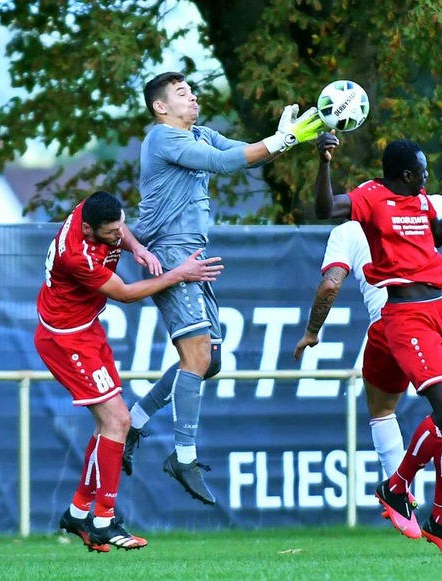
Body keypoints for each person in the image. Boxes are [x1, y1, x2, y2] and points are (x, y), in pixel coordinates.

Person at [122, 71, 324, 505]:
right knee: (197, 357)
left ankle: (133, 420)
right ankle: (184, 456)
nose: (192, 97)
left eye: (192, 91)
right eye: (181, 93)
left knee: (208, 363)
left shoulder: (199, 134)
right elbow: (222, 163)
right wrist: (284, 140)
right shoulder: (162, 138)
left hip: (192, 254)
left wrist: (285, 136)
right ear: (160, 107)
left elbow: (244, 156)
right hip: (172, 255)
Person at [312, 133, 442, 557]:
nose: (426, 176)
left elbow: (439, 234)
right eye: (421, 170)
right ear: (405, 173)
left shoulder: (420, 202)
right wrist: (324, 161)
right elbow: (326, 209)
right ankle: (397, 485)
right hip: (406, 316)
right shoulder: (372, 197)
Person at [34, 191, 223, 552]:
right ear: (88, 229)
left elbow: (121, 230)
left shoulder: (92, 210)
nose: (119, 233)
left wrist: (135, 246)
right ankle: (104, 521)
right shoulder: (78, 256)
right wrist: (179, 274)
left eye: (122, 224)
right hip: (66, 340)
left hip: (85, 329)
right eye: (111, 232)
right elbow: (126, 293)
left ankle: (78, 512)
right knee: (119, 421)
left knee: (110, 424)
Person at [293, 212, 442, 489]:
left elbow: (330, 284)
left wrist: (312, 332)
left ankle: (399, 489)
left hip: (390, 322)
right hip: (436, 308)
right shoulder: (415, 207)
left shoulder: (347, 231)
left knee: (382, 410)